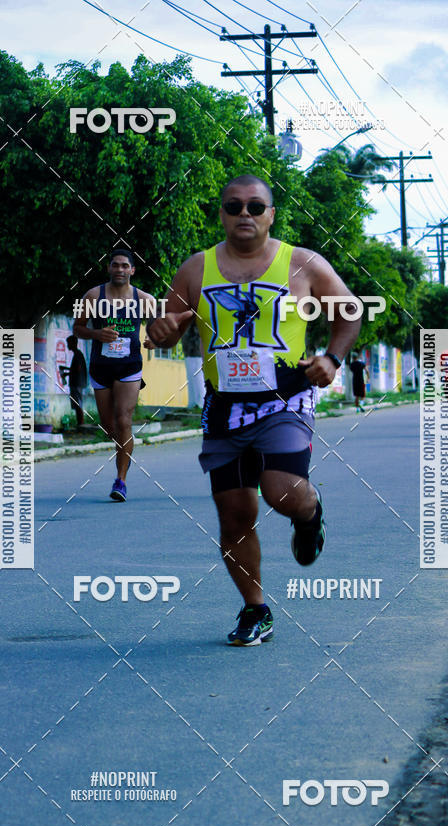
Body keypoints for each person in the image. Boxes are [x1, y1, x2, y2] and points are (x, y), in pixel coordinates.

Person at [147, 174, 360, 645]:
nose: (244, 214)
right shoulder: (196, 269)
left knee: (280, 490)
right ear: (221, 213)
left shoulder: (302, 264)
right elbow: (167, 328)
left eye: (255, 207)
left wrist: (331, 357)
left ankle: (309, 514)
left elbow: (349, 311)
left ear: (271, 214)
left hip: (285, 396)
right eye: (234, 206)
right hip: (223, 406)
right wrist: (161, 332)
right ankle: (254, 609)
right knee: (235, 515)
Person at [73, 247, 155, 501]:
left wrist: (153, 338)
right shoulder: (92, 296)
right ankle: (123, 449)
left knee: (123, 421)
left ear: (132, 270)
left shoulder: (144, 299)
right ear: (108, 268)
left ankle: (121, 480)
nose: (119, 269)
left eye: (124, 266)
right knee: (110, 427)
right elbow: (77, 328)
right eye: (115, 265)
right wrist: (97, 334)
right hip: (101, 367)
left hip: (130, 366)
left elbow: (157, 326)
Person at [59, 335, 87, 428]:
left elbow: (78, 369)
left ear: (74, 343)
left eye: (68, 343)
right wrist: (67, 369)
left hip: (77, 383)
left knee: (78, 403)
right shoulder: (77, 354)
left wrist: (67, 373)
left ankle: (81, 424)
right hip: (77, 383)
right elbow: (76, 368)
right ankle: (80, 423)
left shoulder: (78, 354)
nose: (67, 345)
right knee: (77, 403)